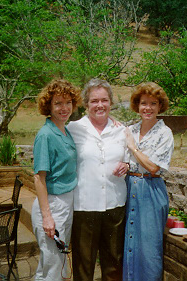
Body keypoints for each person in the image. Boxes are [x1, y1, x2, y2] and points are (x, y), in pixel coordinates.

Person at [67, 78, 129, 281]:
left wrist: (127, 166)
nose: (100, 105)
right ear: (86, 104)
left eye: (104, 100)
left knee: (113, 263)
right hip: (85, 206)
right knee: (84, 265)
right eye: (94, 101)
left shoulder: (122, 130)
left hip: (115, 205)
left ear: (111, 102)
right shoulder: (73, 129)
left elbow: (131, 160)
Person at [122, 82, 174, 281]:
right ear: (137, 105)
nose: (148, 108)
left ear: (160, 106)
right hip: (129, 188)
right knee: (130, 245)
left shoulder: (164, 133)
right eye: (144, 103)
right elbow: (125, 161)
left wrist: (133, 148)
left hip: (150, 190)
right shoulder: (130, 130)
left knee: (149, 248)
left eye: (153, 103)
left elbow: (153, 167)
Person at [31, 79, 81, 281]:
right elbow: (38, 178)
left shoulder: (64, 130)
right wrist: (47, 217)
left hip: (65, 203)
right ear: (48, 106)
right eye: (58, 103)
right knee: (53, 266)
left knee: (53, 264)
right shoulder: (46, 135)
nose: (64, 108)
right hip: (52, 204)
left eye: (68, 102)